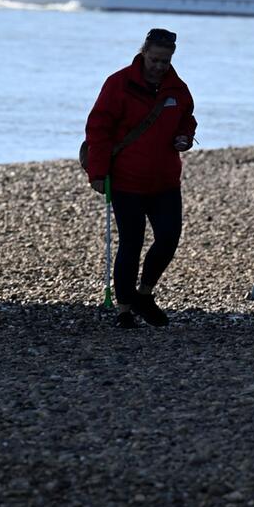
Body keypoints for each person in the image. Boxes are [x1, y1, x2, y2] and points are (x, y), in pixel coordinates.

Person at [84, 28, 197, 328]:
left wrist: (185, 136)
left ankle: (144, 294)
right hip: (126, 181)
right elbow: (98, 129)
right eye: (155, 59)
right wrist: (97, 173)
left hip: (165, 181)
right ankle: (123, 309)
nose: (159, 66)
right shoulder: (118, 84)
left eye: (165, 61)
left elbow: (188, 117)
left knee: (169, 239)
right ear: (144, 52)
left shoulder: (177, 88)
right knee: (130, 244)